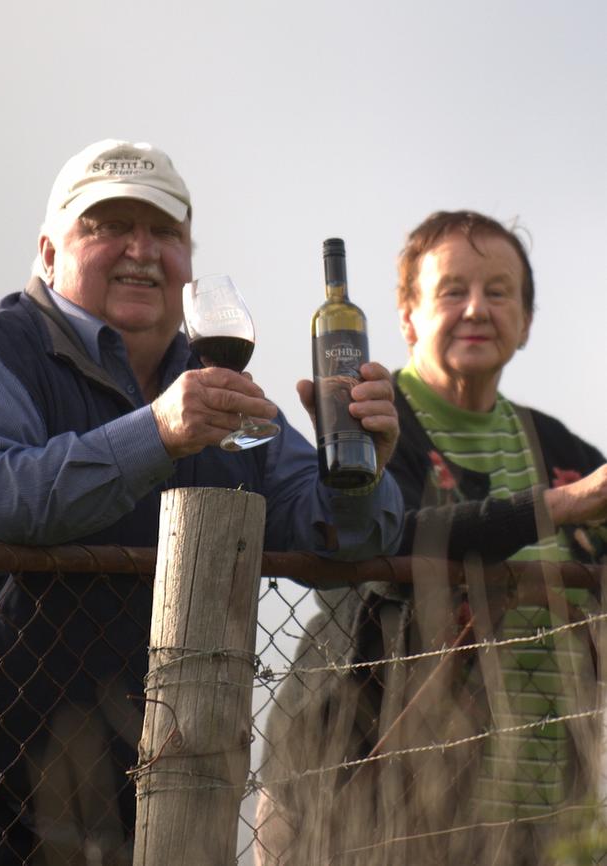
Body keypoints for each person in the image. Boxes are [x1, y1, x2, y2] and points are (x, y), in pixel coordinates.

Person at [0, 139, 404, 865]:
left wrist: (360, 474)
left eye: (165, 232)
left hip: (168, 790)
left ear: (189, 260)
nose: (141, 250)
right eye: (107, 226)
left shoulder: (214, 374)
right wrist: (156, 433)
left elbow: (329, 535)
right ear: (47, 251)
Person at [256, 210, 607, 866]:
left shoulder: (562, 448)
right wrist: (563, 507)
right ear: (408, 314)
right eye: (452, 290)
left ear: (526, 321)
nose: (477, 308)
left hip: (537, 809)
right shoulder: (375, 428)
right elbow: (391, 542)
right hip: (359, 797)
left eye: (499, 292)